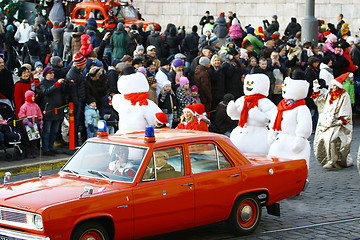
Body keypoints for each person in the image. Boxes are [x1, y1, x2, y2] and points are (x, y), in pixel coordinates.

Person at [312, 72, 354, 169]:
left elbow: (345, 111)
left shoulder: (344, 95)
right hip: (327, 122)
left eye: (335, 85)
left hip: (337, 123)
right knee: (324, 140)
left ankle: (332, 160)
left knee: (332, 140)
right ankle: (328, 158)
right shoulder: (329, 94)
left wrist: (339, 120)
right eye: (333, 85)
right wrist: (316, 90)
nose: (334, 87)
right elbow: (321, 102)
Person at [39, 67, 65, 156]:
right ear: (45, 74)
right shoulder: (43, 83)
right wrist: (57, 84)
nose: (52, 75)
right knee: (47, 131)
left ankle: (51, 147)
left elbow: (63, 91)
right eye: (50, 73)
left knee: (54, 131)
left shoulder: (56, 81)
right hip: (48, 111)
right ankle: (45, 148)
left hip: (58, 110)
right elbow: (46, 92)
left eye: (53, 73)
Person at [66, 52, 87, 146]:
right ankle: (73, 143)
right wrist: (77, 103)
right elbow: (73, 92)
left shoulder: (77, 72)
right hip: (76, 103)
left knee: (79, 123)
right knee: (75, 123)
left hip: (80, 100)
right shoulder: (72, 75)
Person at [18, 90, 43, 158]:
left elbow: (39, 114)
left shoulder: (36, 106)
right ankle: (28, 153)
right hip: (27, 126)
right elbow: (21, 115)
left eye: (34, 96)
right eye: (32, 96)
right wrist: (27, 122)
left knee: (35, 139)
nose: (33, 98)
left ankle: (33, 152)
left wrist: (40, 121)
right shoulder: (24, 106)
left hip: (35, 124)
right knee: (27, 139)